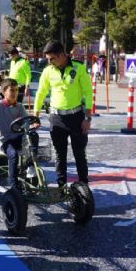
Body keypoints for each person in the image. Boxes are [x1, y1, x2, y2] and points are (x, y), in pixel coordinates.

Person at [34, 41, 92, 187]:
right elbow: (40, 93)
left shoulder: (79, 68)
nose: (49, 61)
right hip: (56, 119)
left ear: (61, 55)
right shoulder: (48, 71)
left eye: (51, 58)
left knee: (80, 154)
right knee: (60, 156)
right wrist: (35, 116)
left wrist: (87, 118)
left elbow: (88, 93)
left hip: (76, 117)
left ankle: (84, 187)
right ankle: (61, 187)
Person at [0, 78, 38, 190]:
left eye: (16, 90)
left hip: (19, 138)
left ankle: (30, 165)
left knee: (33, 136)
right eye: (12, 90)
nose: (15, 93)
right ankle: (13, 186)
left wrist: (32, 126)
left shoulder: (20, 106)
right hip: (5, 140)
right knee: (13, 155)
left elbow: (26, 122)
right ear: (3, 92)